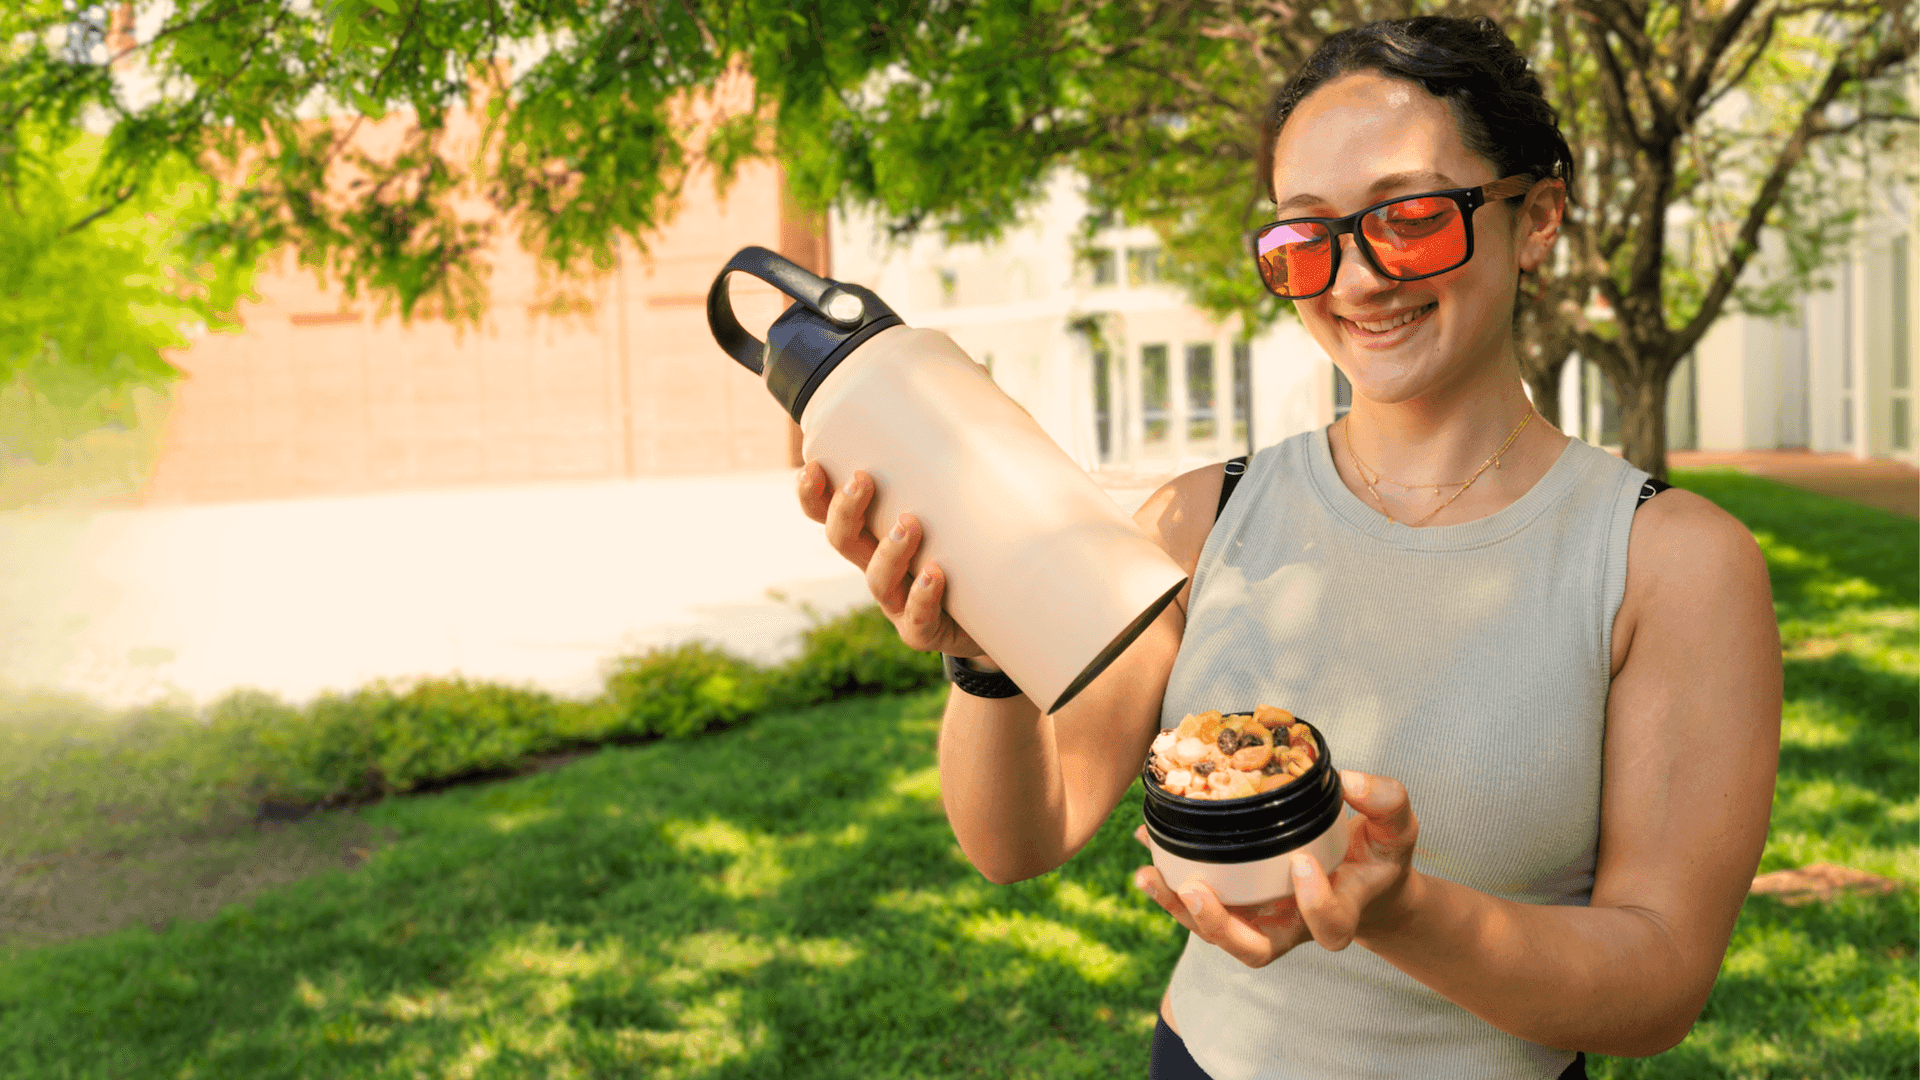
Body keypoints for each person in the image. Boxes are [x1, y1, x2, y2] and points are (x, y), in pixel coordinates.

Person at [795, 15, 1781, 1080]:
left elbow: (1660, 982)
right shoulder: (1199, 520)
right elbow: (1022, 836)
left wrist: (1396, 909)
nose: (1356, 279)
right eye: (1308, 236)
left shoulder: (1670, 563)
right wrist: (983, 655)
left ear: (1535, 217)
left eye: (1406, 217)